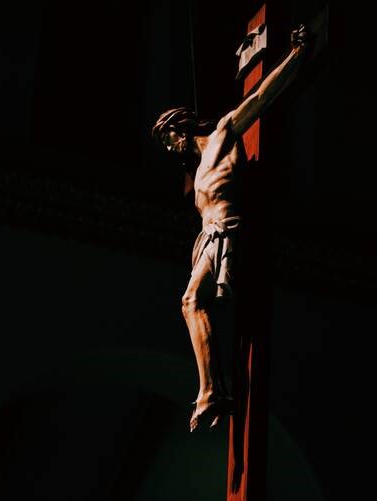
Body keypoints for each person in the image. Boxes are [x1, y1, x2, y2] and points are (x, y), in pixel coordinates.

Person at [151, 23, 316, 432]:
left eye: (168, 138)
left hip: (227, 228)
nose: (170, 147)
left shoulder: (223, 133)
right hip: (208, 237)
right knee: (191, 303)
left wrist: (296, 55)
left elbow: (261, 98)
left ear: (179, 127)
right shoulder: (195, 175)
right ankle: (213, 389)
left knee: (191, 301)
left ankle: (210, 391)